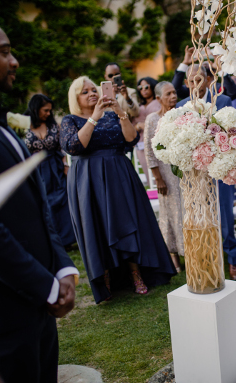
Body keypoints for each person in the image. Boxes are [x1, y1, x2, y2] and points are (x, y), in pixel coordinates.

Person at [0, 14, 78, 383]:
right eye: (4, 52)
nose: (14, 61)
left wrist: (62, 267)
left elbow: (34, 205)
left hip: (35, 300)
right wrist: (47, 287)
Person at [61, 76, 176, 303]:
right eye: (85, 92)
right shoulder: (70, 120)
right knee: (98, 227)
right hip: (89, 180)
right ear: (75, 98)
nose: (92, 93)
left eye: (94, 89)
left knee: (128, 223)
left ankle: (136, 274)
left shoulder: (113, 114)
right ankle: (104, 277)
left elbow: (131, 140)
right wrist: (94, 117)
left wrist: (118, 111)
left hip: (119, 175)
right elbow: (74, 146)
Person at [177, 65, 236, 280]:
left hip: (220, 168)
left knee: (225, 213)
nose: (195, 84)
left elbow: (230, 129)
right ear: (186, 83)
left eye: (199, 79)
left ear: (207, 80)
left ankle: (233, 259)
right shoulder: (181, 106)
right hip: (196, 174)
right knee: (201, 216)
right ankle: (208, 257)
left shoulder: (222, 101)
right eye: (190, 81)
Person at [23, 94, 76, 248]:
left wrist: (65, 165)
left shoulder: (54, 126)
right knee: (44, 202)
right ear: (35, 108)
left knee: (62, 200)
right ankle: (52, 240)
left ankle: (67, 240)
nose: (48, 114)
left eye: (49, 111)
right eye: (45, 110)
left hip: (55, 166)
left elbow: (61, 147)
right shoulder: (23, 126)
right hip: (36, 169)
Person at [144, 82, 185, 272]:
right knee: (169, 213)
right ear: (159, 98)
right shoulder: (152, 119)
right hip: (164, 172)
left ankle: (190, 251)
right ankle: (173, 256)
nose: (173, 96)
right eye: (168, 94)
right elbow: (149, 151)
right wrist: (157, 178)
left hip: (183, 170)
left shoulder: (182, 114)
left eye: (174, 92)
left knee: (185, 210)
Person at [172, 45, 236, 101]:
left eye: (210, 61)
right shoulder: (192, 88)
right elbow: (175, 89)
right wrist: (185, 63)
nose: (197, 84)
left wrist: (220, 69)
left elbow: (233, 93)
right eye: (202, 63)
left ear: (208, 79)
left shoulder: (219, 88)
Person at [133, 77, 160, 184]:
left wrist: (145, 125)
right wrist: (138, 126)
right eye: (140, 87)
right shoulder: (138, 107)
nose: (143, 90)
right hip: (141, 144)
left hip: (156, 141)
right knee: (149, 174)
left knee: (161, 173)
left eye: (146, 87)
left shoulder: (158, 103)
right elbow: (133, 125)